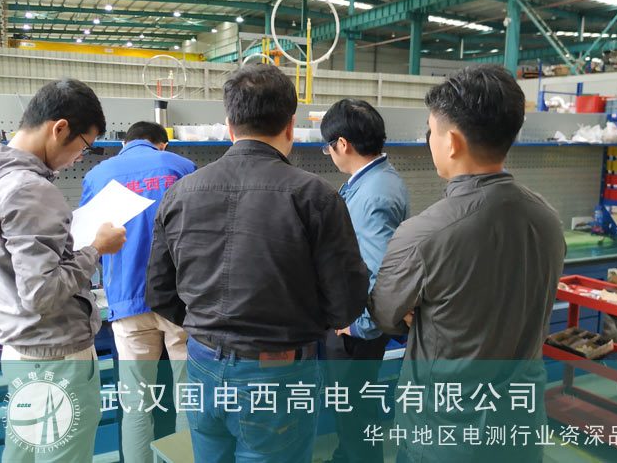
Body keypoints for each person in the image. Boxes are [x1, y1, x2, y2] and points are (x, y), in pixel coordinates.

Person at [146, 64, 370, 463]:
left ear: (229, 125)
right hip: (278, 372)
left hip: (202, 362)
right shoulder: (315, 197)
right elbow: (346, 303)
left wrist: (208, 327)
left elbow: (160, 291)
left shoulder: (181, 193)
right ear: (290, 125)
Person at [368, 65, 566, 462]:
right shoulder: (547, 219)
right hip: (520, 429)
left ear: (453, 141)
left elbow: (384, 314)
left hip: (443, 435)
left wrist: (415, 311)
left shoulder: (423, 234)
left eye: (431, 130)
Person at [0, 78, 127, 462]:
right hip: (56, 357)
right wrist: (96, 249)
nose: (80, 158)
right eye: (84, 145)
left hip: (21, 350)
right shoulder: (31, 189)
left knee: (21, 452)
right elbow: (42, 294)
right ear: (59, 129)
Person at [80, 121, 196, 463]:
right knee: (188, 400)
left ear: (125, 144)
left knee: (136, 405)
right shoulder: (181, 167)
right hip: (179, 303)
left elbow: (86, 239)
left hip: (127, 303)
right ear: (162, 144)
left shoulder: (99, 175)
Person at [320, 98, 410, 463]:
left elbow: (380, 270)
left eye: (328, 147)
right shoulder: (377, 179)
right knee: (353, 411)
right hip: (353, 322)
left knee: (355, 413)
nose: (330, 154)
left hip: (355, 333)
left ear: (342, 144)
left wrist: (360, 326)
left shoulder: (374, 194)